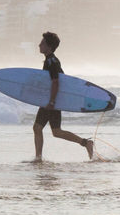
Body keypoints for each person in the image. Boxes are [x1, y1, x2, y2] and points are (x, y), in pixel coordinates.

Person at [33, 31, 95, 162]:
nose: (39, 45)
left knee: (38, 127)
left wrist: (51, 101)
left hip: (52, 100)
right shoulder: (51, 60)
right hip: (54, 99)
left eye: (42, 43)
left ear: (49, 46)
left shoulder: (51, 62)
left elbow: (56, 82)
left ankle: (38, 158)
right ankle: (86, 143)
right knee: (56, 131)